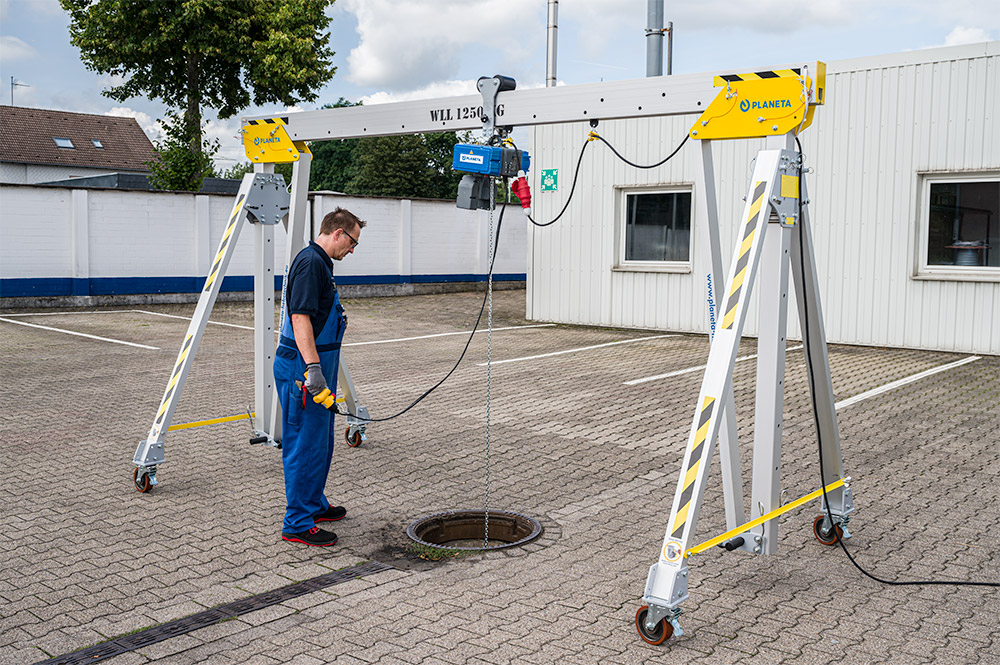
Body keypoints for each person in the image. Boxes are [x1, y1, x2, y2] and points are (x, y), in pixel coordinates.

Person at [274, 207, 365, 546]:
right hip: (303, 370)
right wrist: (313, 369)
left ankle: (313, 504)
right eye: (352, 242)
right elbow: (300, 319)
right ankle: (296, 522)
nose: (353, 250)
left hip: (316, 369)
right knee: (303, 444)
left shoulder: (320, 263)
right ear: (338, 233)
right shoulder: (311, 263)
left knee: (320, 442)